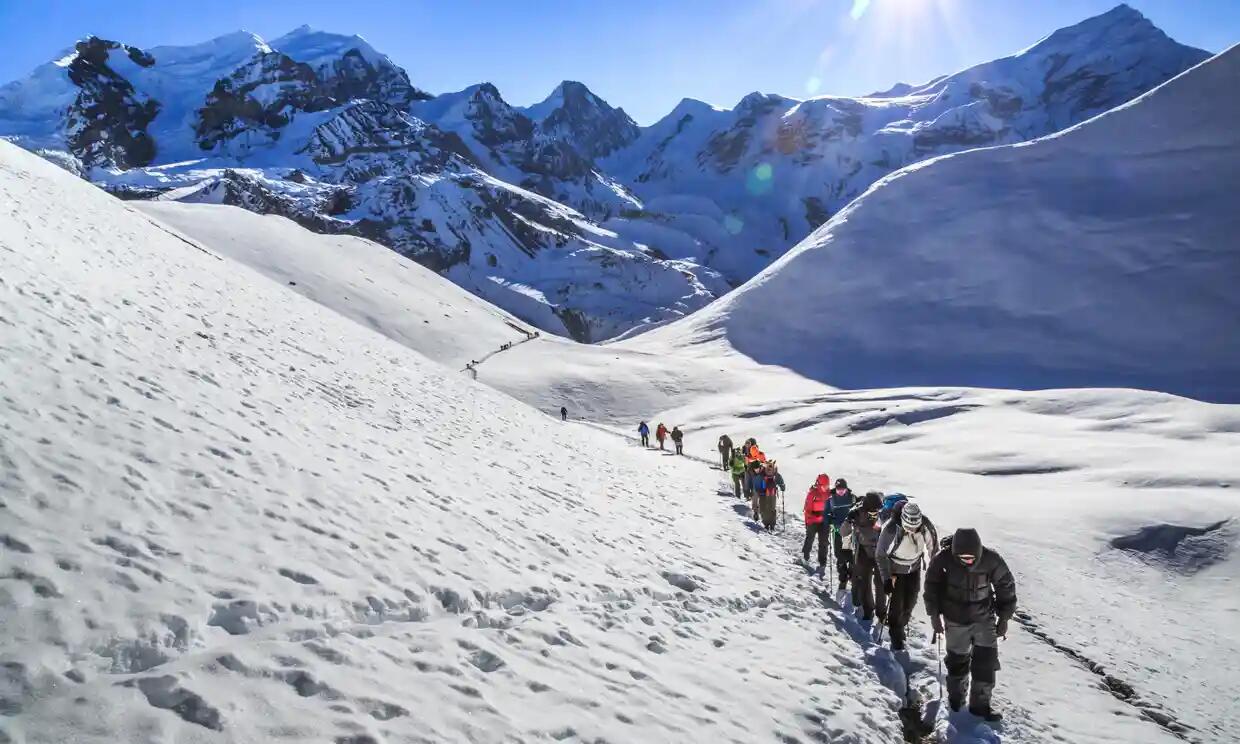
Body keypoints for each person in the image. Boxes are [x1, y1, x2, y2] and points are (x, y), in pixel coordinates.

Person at [924, 528, 1017, 722]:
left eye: (972, 557)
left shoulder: (992, 559)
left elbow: (1006, 586)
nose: (968, 561)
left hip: (984, 619)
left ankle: (980, 706)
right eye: (963, 557)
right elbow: (931, 586)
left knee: (986, 663)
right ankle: (956, 700)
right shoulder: (943, 559)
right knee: (957, 662)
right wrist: (934, 617)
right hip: (954, 620)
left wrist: (1005, 618)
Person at [876, 502, 939, 651]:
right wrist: (886, 578)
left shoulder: (925, 527)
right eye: (908, 528)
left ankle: (900, 626)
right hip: (895, 570)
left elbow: (934, 550)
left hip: (914, 568)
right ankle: (896, 638)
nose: (911, 530)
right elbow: (880, 554)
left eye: (914, 528)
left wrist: (937, 574)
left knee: (910, 603)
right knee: (897, 606)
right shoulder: (891, 529)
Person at [847, 491, 887, 623]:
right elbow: (843, 532)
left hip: (878, 553)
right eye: (874, 509)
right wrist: (849, 521)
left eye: (878, 509)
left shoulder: (883, 515)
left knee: (879, 585)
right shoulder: (857, 513)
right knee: (866, 584)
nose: (876, 512)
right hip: (865, 552)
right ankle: (871, 612)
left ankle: (880, 614)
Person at [825, 478, 856, 592]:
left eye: (842, 490)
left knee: (852, 555)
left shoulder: (852, 498)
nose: (841, 492)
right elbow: (826, 513)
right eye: (839, 490)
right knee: (839, 554)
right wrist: (828, 519)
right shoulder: (831, 499)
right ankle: (843, 578)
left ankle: (852, 576)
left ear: (846, 489)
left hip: (850, 531)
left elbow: (858, 511)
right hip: (837, 530)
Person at [802, 474, 831, 569]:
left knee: (824, 542)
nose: (826, 487)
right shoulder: (812, 493)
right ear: (820, 484)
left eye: (828, 485)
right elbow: (807, 510)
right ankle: (805, 557)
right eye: (825, 485)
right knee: (810, 539)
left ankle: (822, 562)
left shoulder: (829, 493)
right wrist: (814, 518)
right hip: (812, 521)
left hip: (824, 522)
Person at [759, 461, 785, 531]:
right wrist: (782, 487)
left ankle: (766, 524)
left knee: (765, 509)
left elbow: (758, 481)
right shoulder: (775, 474)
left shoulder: (763, 473)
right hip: (772, 493)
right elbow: (781, 481)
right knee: (771, 509)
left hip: (764, 494)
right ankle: (772, 525)